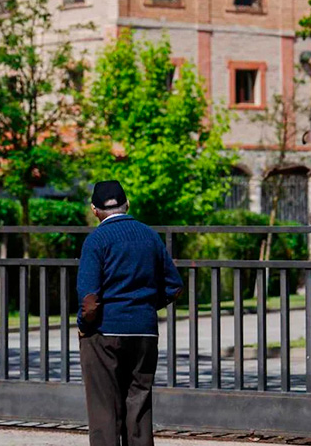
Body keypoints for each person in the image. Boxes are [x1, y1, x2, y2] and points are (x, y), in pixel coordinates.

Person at [77, 180, 184, 446]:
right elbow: (175, 286)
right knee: (139, 403)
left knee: (105, 409)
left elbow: (90, 302)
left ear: (94, 210)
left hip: (105, 333)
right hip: (145, 331)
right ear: (128, 204)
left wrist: (83, 324)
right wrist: (146, 305)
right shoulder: (150, 236)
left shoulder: (96, 240)